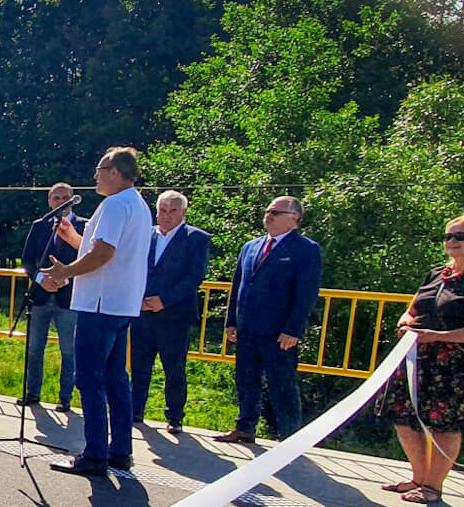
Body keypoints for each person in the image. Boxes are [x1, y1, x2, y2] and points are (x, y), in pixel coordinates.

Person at [372, 211, 464, 505]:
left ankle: (433, 486)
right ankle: (418, 478)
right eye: (447, 236)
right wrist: (405, 323)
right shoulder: (438, 273)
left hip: (456, 362)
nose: (452, 242)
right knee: (403, 419)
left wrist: (440, 337)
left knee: (444, 424)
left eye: (460, 236)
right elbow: (413, 308)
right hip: (417, 358)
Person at [41, 146, 154, 476]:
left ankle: (94, 454)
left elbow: (103, 253)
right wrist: (73, 237)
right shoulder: (137, 203)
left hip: (100, 304)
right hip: (121, 304)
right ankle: (120, 449)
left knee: (89, 378)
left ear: (115, 172)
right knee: (117, 378)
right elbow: (102, 251)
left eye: (100, 170)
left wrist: (65, 272)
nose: (96, 177)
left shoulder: (115, 204)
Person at [214, 195, 322, 445]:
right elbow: (238, 285)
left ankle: (290, 437)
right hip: (247, 328)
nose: (269, 216)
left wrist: (293, 329)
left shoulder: (305, 249)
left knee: (281, 384)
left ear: (293, 218)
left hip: (278, 332)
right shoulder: (251, 246)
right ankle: (245, 427)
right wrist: (231, 321)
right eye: (267, 211)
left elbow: (306, 294)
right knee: (246, 379)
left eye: (275, 212)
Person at [131, 190, 212, 433]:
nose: (166, 215)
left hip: (174, 315)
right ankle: (136, 410)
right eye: (163, 210)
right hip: (142, 312)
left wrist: (164, 300)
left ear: (183, 212)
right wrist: (138, 298)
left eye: (173, 210)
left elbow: (194, 276)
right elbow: (133, 268)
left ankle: (175, 416)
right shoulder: (146, 235)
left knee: (174, 367)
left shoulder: (196, 238)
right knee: (139, 365)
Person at [19, 182, 84, 410]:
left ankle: (65, 398)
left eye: (66, 198)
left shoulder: (84, 227)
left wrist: (64, 278)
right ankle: (32, 393)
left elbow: (90, 261)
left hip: (69, 298)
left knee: (69, 350)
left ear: (73, 199)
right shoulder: (39, 227)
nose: (61, 202)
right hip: (40, 297)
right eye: (56, 198)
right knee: (35, 348)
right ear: (49, 201)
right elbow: (27, 260)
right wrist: (40, 279)